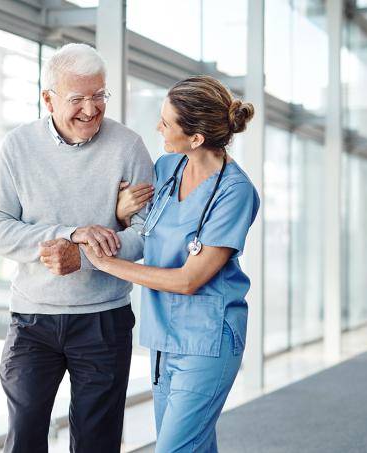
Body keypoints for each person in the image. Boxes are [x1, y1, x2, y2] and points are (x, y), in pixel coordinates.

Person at [0, 43, 154, 453]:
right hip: (33, 321)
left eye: (99, 95)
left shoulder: (128, 146)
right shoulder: (18, 146)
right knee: (24, 439)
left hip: (103, 321)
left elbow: (148, 234)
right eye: (77, 98)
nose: (91, 110)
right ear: (48, 99)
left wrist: (85, 256)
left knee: (97, 442)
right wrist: (71, 233)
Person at [83, 75, 259, 453]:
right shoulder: (166, 168)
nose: (158, 127)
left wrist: (106, 263)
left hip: (207, 341)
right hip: (164, 337)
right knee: (191, 446)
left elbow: (188, 280)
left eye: (166, 122)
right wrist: (122, 212)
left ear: (196, 138)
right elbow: (143, 229)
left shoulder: (235, 192)